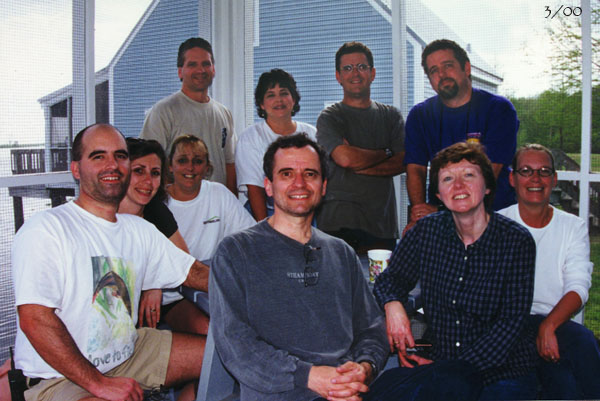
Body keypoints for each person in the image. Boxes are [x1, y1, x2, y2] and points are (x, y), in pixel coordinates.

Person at [12, 123, 209, 401]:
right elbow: (35, 319)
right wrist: (99, 383)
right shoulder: (46, 229)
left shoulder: (138, 230)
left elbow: (196, 273)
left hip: (129, 352)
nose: (112, 165)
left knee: (226, 356)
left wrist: (264, 290)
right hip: (60, 376)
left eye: (120, 155)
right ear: (76, 170)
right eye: (98, 156)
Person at [209, 134, 389, 401]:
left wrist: (364, 368)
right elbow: (237, 347)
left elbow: (372, 328)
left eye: (310, 174)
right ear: (268, 186)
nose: (299, 183)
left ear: (324, 186)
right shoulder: (236, 252)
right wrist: (311, 377)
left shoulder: (342, 253)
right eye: (286, 174)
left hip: (347, 390)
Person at [372, 142, 537, 401]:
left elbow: (510, 324)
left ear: (488, 186)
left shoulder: (516, 241)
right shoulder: (425, 231)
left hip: (500, 373)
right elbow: (390, 280)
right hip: (439, 365)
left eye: (469, 175)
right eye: (448, 178)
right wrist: (393, 305)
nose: (458, 186)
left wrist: (445, 370)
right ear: (438, 193)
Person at [499, 144, 600, 399]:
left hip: (559, 325)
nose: (536, 179)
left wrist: (548, 327)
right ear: (512, 179)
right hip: (511, 328)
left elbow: (578, 285)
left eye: (544, 171)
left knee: (572, 372)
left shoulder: (573, 227)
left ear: (554, 179)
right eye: (526, 171)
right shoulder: (496, 225)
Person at [404, 39, 518, 231]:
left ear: (466, 68)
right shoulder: (420, 115)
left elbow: (488, 172)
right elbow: (416, 169)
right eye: (433, 71)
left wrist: (439, 210)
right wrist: (418, 215)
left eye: (448, 66)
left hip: (492, 218)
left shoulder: (498, 109)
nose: (441, 75)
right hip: (440, 220)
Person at [316, 41, 405, 253]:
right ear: (338, 76)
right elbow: (345, 159)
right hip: (337, 224)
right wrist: (386, 152)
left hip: (381, 226)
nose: (355, 73)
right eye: (347, 68)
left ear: (372, 73)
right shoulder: (330, 117)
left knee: (380, 285)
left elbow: (404, 161)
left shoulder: (391, 116)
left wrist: (360, 163)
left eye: (362, 67)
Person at [118, 137, 209, 338]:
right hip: (117, 310)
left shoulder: (156, 210)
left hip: (165, 303)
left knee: (209, 329)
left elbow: (182, 258)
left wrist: (154, 284)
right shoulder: (107, 215)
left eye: (155, 173)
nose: (148, 182)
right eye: (139, 171)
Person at [140, 37, 237, 194]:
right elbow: (149, 163)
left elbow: (229, 164)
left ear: (214, 69)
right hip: (178, 207)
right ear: (180, 72)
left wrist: (232, 202)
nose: (201, 70)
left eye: (206, 64)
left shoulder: (223, 113)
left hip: (217, 208)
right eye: (192, 64)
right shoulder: (163, 111)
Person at [236, 68, 316, 220]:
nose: (279, 100)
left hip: (305, 209)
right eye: (271, 95)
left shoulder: (312, 134)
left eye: (284, 93)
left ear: (293, 99)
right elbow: (255, 190)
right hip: (266, 211)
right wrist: (266, 232)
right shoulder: (250, 137)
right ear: (262, 104)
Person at [166, 134, 256, 265]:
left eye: (197, 161)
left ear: (207, 167)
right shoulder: (158, 202)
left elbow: (250, 237)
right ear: (170, 165)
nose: (190, 167)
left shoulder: (219, 193)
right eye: (182, 161)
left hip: (213, 272)